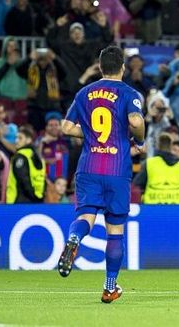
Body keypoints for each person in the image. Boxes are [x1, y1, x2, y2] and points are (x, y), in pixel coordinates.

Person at [57, 46, 145, 304]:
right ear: (123, 67)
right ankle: (109, 287)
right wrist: (137, 139)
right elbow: (137, 123)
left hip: (89, 166)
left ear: (99, 67)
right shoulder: (129, 93)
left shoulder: (84, 93)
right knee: (114, 230)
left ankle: (74, 238)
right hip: (117, 169)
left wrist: (93, 135)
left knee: (85, 215)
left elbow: (65, 127)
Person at [134, 133, 179, 204]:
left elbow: (136, 185)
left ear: (157, 146)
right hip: (178, 207)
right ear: (170, 147)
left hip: (154, 207)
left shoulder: (150, 163)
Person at [6, 126, 46, 204]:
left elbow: (24, 180)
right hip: (37, 199)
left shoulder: (20, 157)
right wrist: (38, 198)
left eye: (20, 138)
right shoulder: (37, 155)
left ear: (28, 140)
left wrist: (33, 197)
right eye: (16, 138)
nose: (16, 141)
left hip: (19, 201)